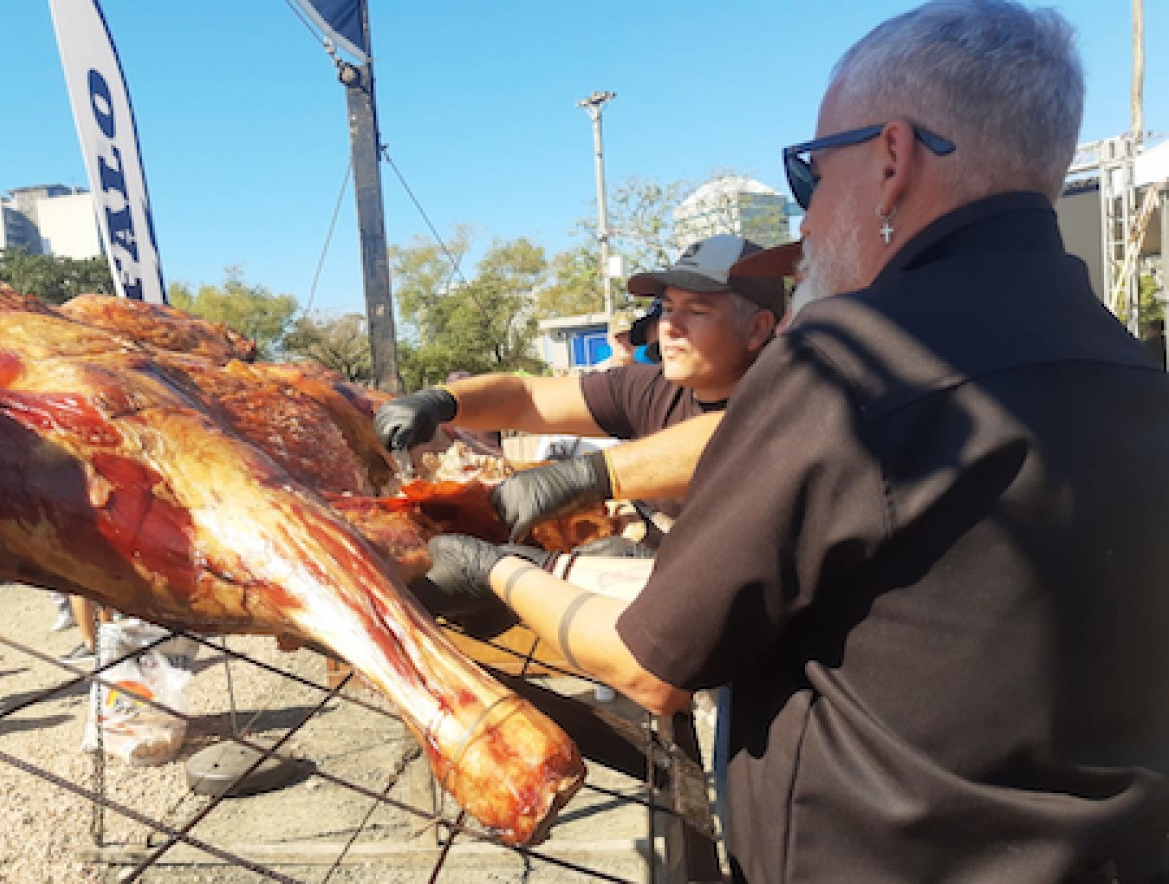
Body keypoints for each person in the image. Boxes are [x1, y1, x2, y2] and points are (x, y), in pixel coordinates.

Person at [414, 2, 1169, 879]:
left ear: (892, 159)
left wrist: (494, 571)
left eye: (812, 174)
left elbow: (651, 667)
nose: (806, 224)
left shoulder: (849, 357)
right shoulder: (1132, 365)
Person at [374, 233, 786, 542]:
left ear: (756, 328)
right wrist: (442, 401)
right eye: (668, 309)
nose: (670, 327)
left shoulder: (791, 397)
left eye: (697, 311)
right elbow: (527, 397)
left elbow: (738, 439)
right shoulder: (649, 389)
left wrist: (585, 478)